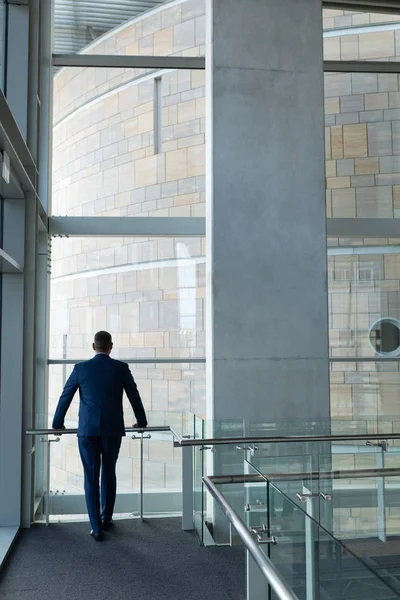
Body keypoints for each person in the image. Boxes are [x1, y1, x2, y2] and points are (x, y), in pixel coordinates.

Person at [52, 330, 147, 541]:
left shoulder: (80, 368)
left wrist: (57, 424)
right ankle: (106, 518)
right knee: (109, 471)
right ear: (110, 346)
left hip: (87, 431)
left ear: (93, 347)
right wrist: (142, 422)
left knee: (91, 476)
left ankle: (96, 527)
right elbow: (134, 396)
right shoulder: (121, 368)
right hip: (112, 430)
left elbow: (65, 396)